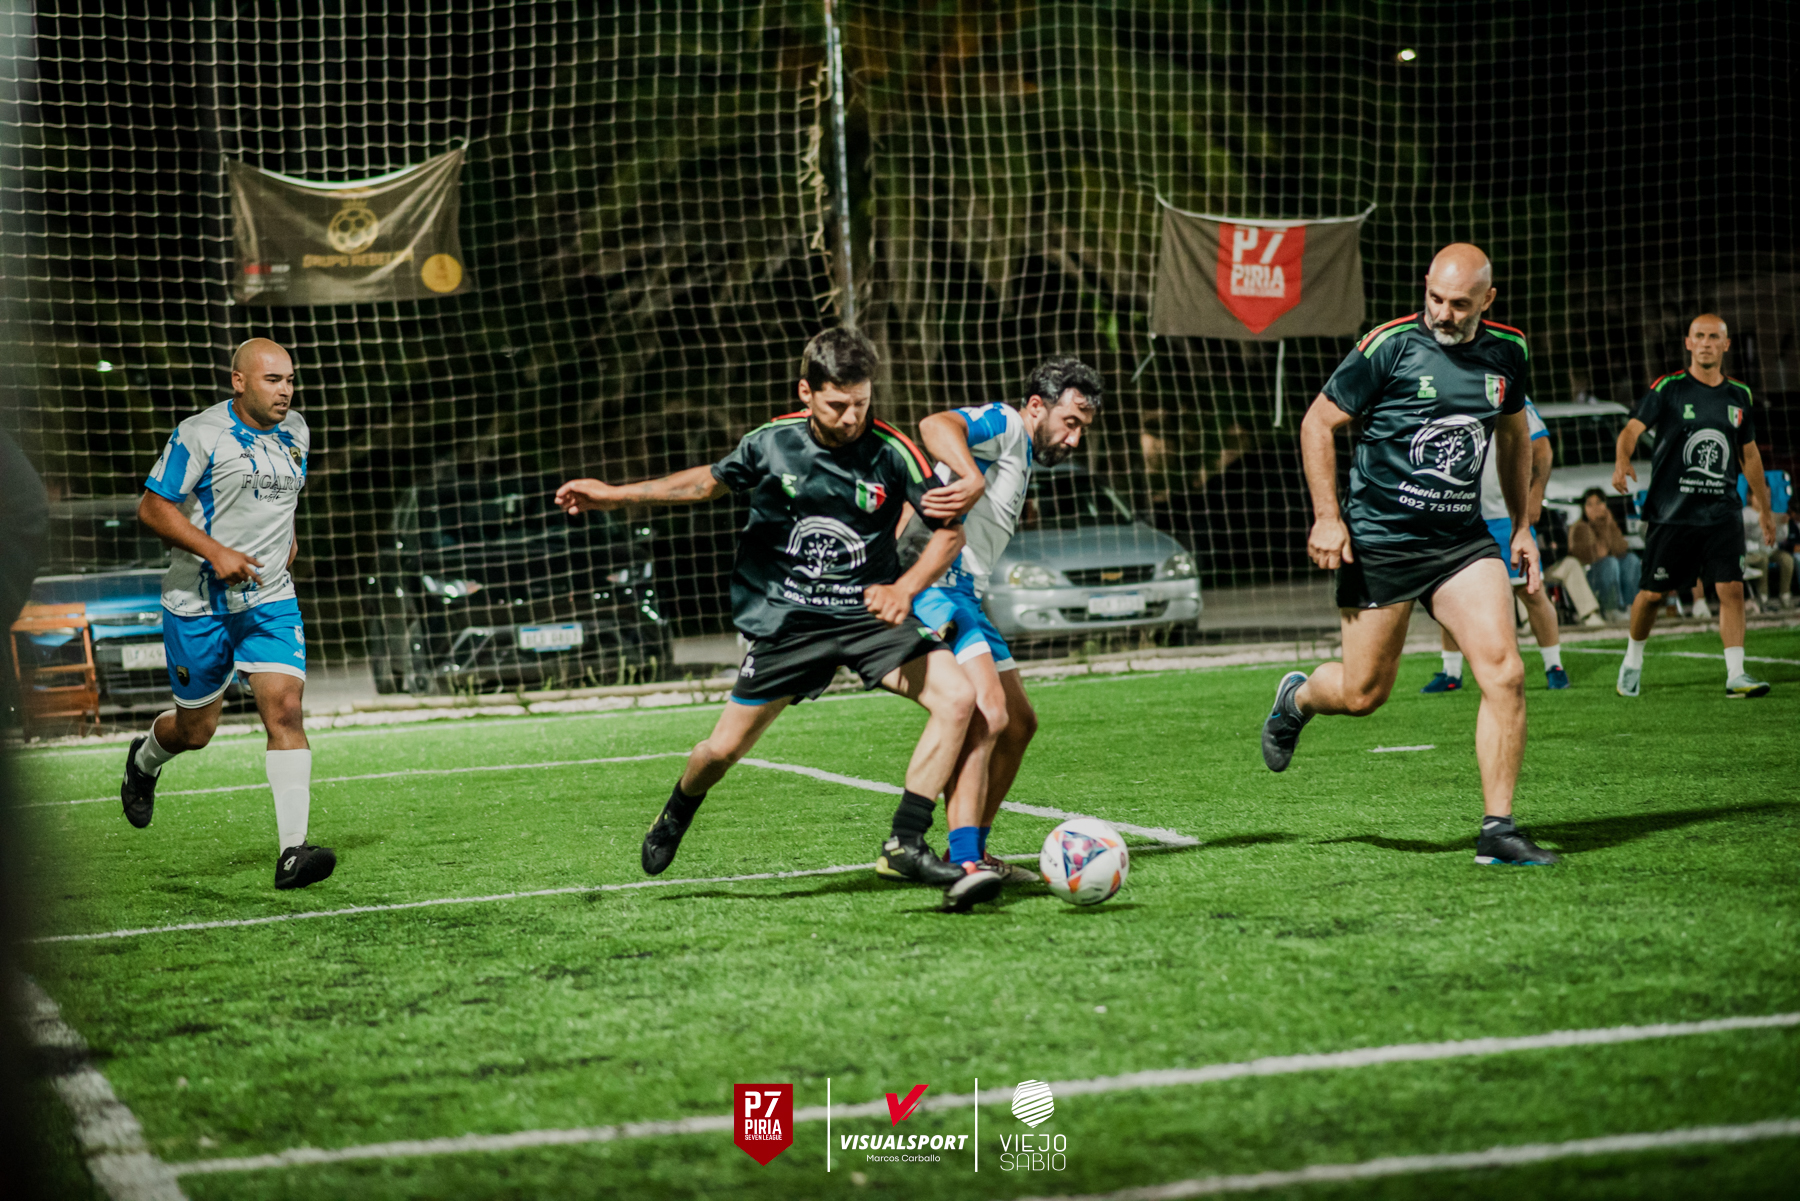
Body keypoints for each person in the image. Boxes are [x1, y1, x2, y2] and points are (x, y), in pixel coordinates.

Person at [554, 328, 996, 910]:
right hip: (790, 624)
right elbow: (705, 484)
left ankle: (905, 843)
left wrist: (904, 587)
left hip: (869, 615)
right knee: (720, 752)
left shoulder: (893, 451)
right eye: (837, 404)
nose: (851, 417)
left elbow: (949, 534)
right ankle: (679, 807)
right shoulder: (771, 443)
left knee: (958, 698)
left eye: (861, 402)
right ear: (806, 392)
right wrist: (613, 495)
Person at [1261, 243, 1558, 867]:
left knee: (1504, 672)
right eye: (1435, 298)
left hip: (1461, 543)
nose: (1443, 314)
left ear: (1488, 300)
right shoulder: (1388, 346)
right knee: (1363, 694)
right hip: (1381, 542)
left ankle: (1497, 830)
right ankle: (1298, 699)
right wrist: (1327, 518)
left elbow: (1513, 436)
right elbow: (1317, 424)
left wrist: (1522, 526)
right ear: (1425, 285)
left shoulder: (1509, 350)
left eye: (1460, 304)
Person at [119, 339, 337, 890]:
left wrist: (287, 542)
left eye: (290, 380)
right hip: (198, 604)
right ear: (239, 381)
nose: (285, 391)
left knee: (285, 711)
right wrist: (215, 552)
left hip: (269, 599)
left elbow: (284, 500)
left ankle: (293, 852)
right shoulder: (201, 434)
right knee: (195, 731)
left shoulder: (297, 431)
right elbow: (152, 506)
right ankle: (143, 762)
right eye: (272, 379)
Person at [908, 356, 1102, 888]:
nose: (1074, 439)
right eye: (1070, 423)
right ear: (1037, 405)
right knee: (988, 714)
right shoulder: (1008, 424)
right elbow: (935, 425)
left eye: (1082, 429)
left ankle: (976, 849)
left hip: (966, 594)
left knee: (1018, 722)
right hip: (938, 587)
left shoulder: (1021, 453)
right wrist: (971, 476)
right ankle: (962, 859)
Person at [1611, 313, 1778, 698]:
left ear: (1726, 344)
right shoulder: (1668, 388)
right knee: (1653, 595)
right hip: (1673, 513)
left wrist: (1764, 509)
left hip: (1722, 512)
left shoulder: (1740, 395)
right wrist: (1622, 459)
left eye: (1713, 337)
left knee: (1731, 588)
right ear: (1688, 343)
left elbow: (1749, 454)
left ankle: (1736, 674)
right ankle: (1632, 661)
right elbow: (1631, 429)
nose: (1705, 343)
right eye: (1699, 336)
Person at [1421, 396, 1575, 693]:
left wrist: (1535, 493)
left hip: (1504, 515)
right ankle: (1451, 671)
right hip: (1459, 514)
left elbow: (1542, 448)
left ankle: (1554, 666)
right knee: (1449, 591)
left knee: (1531, 590)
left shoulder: (1507, 391)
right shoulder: (1446, 391)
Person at [1569, 487, 1640, 620]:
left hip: (1610, 572)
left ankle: (1632, 607)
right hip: (1591, 577)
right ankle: (1612, 609)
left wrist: (1608, 524)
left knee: (1631, 559)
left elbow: (1621, 549)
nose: (1595, 508)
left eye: (1598, 503)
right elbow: (1599, 554)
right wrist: (1600, 526)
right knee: (1609, 563)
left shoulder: (1609, 523)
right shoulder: (1580, 527)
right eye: (1589, 504)